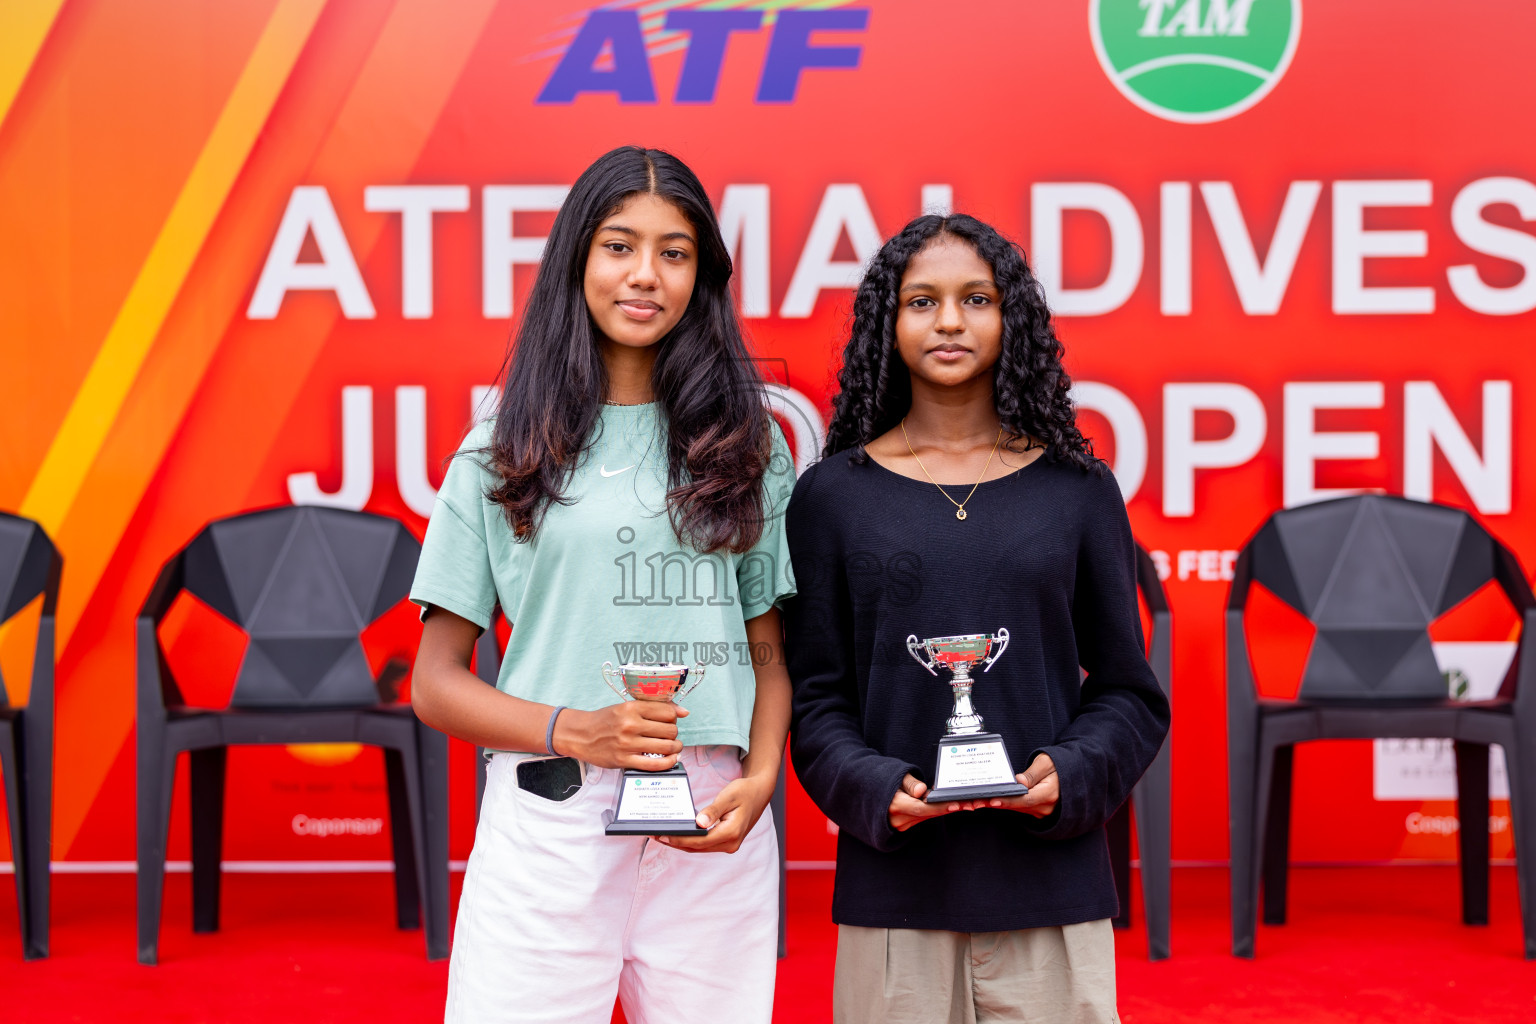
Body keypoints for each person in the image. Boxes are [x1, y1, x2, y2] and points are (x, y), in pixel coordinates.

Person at [408, 146, 795, 1024]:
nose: (645, 275)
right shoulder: (498, 451)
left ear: (703, 276)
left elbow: (768, 650)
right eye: (620, 246)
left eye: (675, 251)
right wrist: (576, 728)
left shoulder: (748, 446)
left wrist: (762, 777)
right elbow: (433, 682)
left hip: (711, 820)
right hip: (550, 815)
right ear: (577, 258)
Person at [784, 214, 1169, 1024]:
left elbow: (1131, 695)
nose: (950, 320)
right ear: (886, 322)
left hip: (1053, 891)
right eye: (922, 301)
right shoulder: (830, 498)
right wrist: (875, 785)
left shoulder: (1078, 488)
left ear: (1011, 318)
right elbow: (816, 703)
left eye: (976, 299)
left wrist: (1073, 771)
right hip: (895, 899)